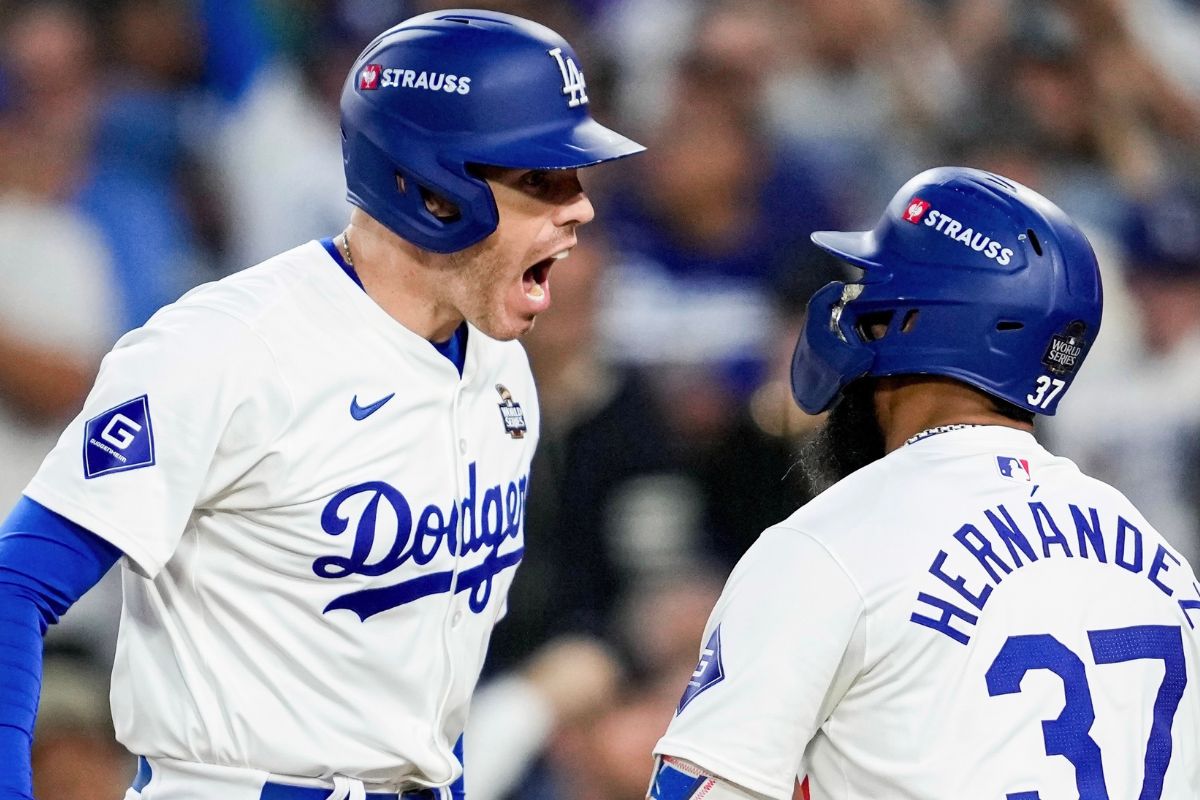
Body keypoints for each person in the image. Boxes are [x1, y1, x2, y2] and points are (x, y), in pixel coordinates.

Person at [0, 8, 642, 800]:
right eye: (542, 178)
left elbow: (428, 690)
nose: (579, 207)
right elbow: (17, 584)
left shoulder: (506, 374)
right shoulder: (226, 349)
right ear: (436, 191)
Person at [647, 167, 1200, 799]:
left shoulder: (831, 545)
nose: (858, 318)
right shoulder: (1162, 561)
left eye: (873, 300)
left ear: (913, 321)